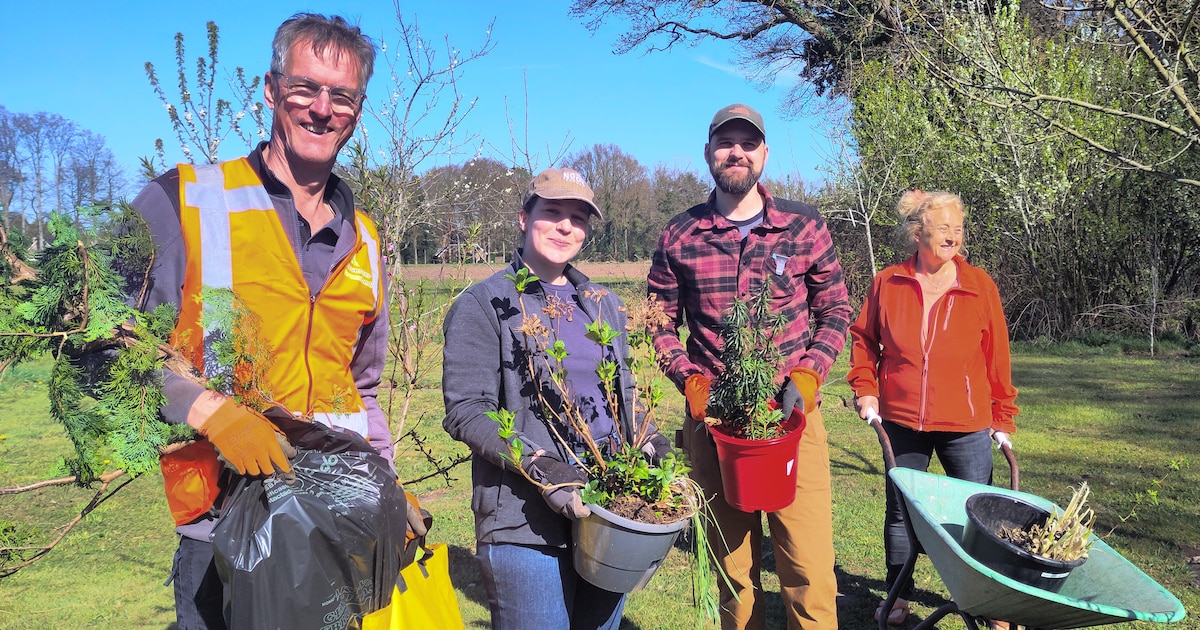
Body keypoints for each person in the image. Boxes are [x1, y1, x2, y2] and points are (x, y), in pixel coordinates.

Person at [128, 14, 400, 629]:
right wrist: (210, 412)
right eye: (305, 88)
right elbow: (106, 345)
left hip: (335, 528)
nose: (322, 109)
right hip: (222, 530)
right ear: (272, 90)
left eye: (343, 96)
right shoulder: (184, 201)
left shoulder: (366, 241)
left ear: (357, 110)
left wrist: (385, 482)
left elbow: (363, 388)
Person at [648, 103, 852, 630]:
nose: (736, 152)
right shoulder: (681, 235)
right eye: (725, 143)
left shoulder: (804, 226)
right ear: (708, 152)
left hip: (793, 423)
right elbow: (658, 321)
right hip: (715, 426)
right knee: (732, 570)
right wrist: (688, 378)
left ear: (764, 154)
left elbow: (835, 311)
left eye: (748, 143)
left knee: (807, 568)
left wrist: (807, 375)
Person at [442, 167, 671, 630]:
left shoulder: (602, 303)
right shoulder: (486, 303)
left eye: (578, 217)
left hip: (610, 513)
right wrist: (541, 465)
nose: (566, 226)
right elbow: (467, 409)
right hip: (524, 521)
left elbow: (620, 391)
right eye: (553, 212)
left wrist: (649, 437)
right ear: (524, 219)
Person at [845, 189, 1019, 626]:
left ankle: (994, 604)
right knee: (901, 512)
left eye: (958, 229)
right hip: (901, 419)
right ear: (917, 232)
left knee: (982, 514)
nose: (953, 236)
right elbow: (864, 340)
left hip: (966, 423)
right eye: (943, 228)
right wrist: (865, 387)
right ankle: (898, 597)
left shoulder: (980, 286)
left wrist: (1002, 417)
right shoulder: (888, 281)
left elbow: (997, 357)